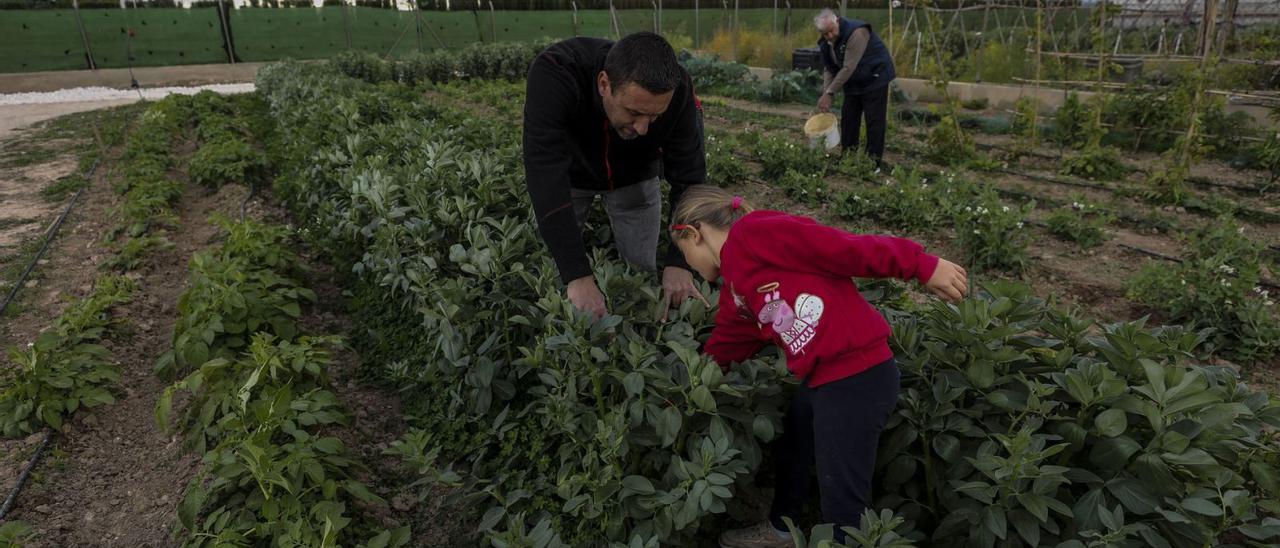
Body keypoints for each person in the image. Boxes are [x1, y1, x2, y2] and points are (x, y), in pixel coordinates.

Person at [667, 186, 968, 547]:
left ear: (693, 233)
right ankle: (782, 529)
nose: (690, 266)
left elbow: (843, 247)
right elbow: (731, 337)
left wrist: (921, 265)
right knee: (796, 440)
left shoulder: (755, 232)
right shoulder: (736, 285)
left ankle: (846, 538)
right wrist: (695, 378)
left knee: (842, 496)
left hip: (858, 376)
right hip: (825, 379)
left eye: (684, 254)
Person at [523, 32, 709, 321]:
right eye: (634, 112)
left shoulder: (679, 89)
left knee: (639, 276)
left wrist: (680, 260)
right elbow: (544, 173)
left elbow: (690, 179)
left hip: (635, 176)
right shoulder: (555, 72)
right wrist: (577, 275)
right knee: (554, 273)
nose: (644, 128)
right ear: (604, 84)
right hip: (570, 177)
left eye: (655, 116)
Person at [814, 8, 897, 165]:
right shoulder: (827, 43)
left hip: (875, 77)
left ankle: (873, 162)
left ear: (836, 21)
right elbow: (829, 68)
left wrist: (830, 93)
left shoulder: (857, 32)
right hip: (854, 80)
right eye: (825, 34)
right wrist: (825, 92)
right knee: (849, 118)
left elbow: (848, 67)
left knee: (874, 121)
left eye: (831, 31)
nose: (829, 36)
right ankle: (848, 157)